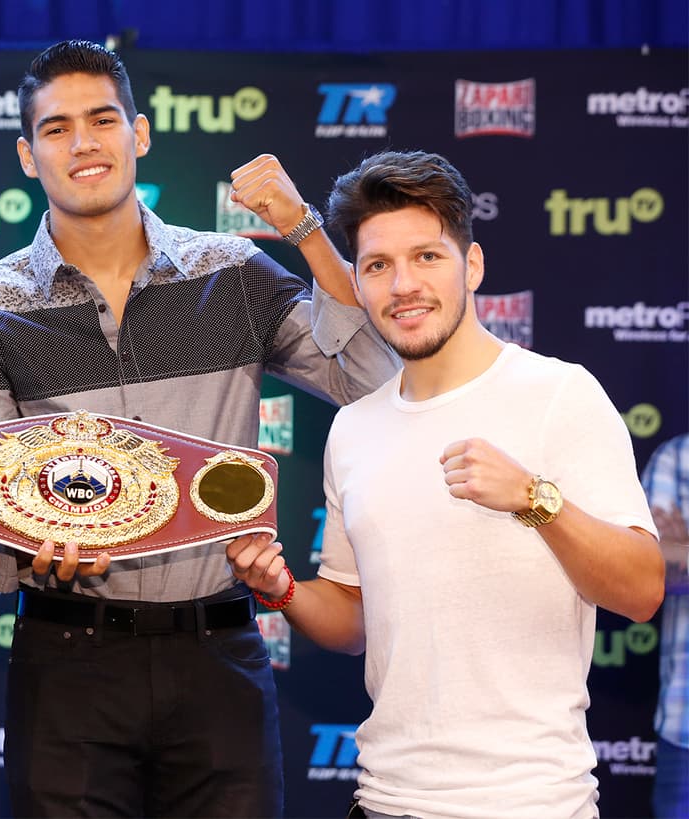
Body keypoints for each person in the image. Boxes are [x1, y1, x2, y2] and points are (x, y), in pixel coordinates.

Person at [0, 39, 399, 817]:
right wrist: (26, 548)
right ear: (26, 154)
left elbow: (371, 378)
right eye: (56, 129)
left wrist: (307, 229)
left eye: (101, 119)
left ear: (139, 134)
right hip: (66, 659)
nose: (83, 143)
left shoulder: (234, 273)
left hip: (219, 652)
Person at [236, 149, 665, 819]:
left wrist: (535, 499)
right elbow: (354, 621)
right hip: (384, 799)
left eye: (427, 257)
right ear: (360, 282)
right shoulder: (354, 428)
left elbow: (641, 589)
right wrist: (282, 589)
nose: (403, 284)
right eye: (378, 265)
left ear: (472, 265)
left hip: (533, 803)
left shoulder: (560, 394)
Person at [642, 432, 689, 818]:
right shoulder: (677, 457)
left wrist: (684, 547)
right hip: (684, 730)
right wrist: (671, 557)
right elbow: (650, 572)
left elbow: (677, 560)